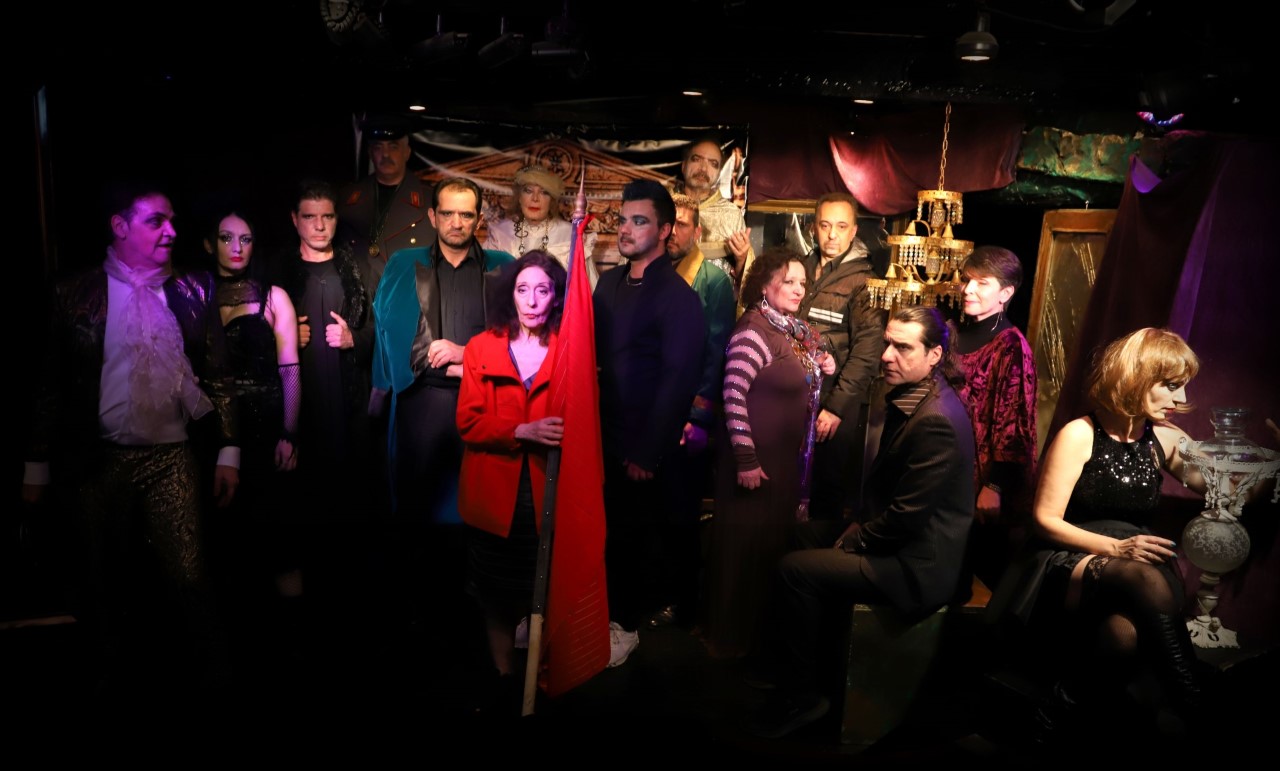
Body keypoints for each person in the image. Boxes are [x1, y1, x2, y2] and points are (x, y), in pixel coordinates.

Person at [23, 181, 240, 693]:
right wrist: (36, 464)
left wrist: (229, 451)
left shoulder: (194, 289)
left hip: (172, 458)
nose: (171, 231)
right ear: (120, 226)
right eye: (155, 221)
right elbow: (51, 383)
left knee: (189, 581)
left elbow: (218, 375)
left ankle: (214, 688)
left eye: (172, 220)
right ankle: (112, 682)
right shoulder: (74, 292)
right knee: (102, 582)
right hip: (98, 459)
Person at [989, 328, 1228, 746]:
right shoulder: (1080, 433)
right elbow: (1045, 520)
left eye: (1183, 386)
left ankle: (1055, 710)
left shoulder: (1166, 439)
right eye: (1171, 385)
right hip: (1070, 556)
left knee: (1123, 636)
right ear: (1137, 377)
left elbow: (1222, 489)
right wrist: (1116, 548)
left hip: (1135, 563)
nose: (1181, 398)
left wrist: (1270, 471)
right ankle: (1198, 709)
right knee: (1142, 574)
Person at [750, 305, 975, 739]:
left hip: (918, 565)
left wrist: (856, 539)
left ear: (934, 356)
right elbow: (891, 498)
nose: (887, 355)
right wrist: (858, 525)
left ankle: (804, 697)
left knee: (795, 570)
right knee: (800, 535)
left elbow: (906, 520)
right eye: (887, 343)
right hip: (898, 539)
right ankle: (802, 667)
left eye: (902, 348)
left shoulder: (936, 421)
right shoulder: (916, 395)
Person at [370, 176, 514, 667]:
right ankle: (417, 622)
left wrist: (465, 355)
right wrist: (388, 388)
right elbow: (387, 329)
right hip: (422, 403)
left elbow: (520, 337)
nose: (456, 222)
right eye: (447, 213)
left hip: (483, 404)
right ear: (432, 216)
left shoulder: (502, 267)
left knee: (478, 518)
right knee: (417, 515)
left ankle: (473, 627)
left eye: (466, 214)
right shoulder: (402, 263)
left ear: (479, 219)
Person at [593, 178, 706, 665]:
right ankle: (600, 618)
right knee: (603, 536)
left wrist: (647, 451)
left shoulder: (678, 297)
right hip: (600, 438)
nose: (626, 229)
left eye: (639, 221)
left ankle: (626, 628)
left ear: (664, 231)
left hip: (642, 449)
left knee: (633, 541)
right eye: (623, 219)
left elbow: (678, 380)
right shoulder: (608, 284)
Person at [702, 248, 835, 660]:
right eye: (788, 281)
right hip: (755, 466)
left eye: (802, 282)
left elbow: (806, 361)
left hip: (781, 465)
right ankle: (731, 643)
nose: (798, 289)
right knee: (745, 552)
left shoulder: (791, 329)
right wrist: (746, 459)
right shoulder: (753, 331)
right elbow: (732, 395)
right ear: (764, 285)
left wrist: (822, 362)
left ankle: (757, 641)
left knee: (768, 551)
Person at [456, 250, 566, 711]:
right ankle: (504, 677)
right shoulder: (482, 347)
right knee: (495, 595)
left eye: (543, 289)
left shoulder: (569, 349)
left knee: (544, 592)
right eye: (523, 289)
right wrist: (521, 430)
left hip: (547, 493)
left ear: (556, 296)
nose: (532, 300)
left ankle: (540, 680)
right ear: (511, 294)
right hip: (493, 496)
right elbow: (467, 422)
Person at [202, 204, 304, 618]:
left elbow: (290, 369)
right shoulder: (194, 294)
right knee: (223, 539)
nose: (236, 247)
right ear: (209, 244)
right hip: (211, 431)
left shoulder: (272, 296)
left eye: (245, 239)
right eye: (227, 238)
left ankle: (291, 633)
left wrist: (289, 433)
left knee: (275, 536)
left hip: (265, 429)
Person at [646, 192, 736, 629]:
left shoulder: (712, 280)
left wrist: (699, 417)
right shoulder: (651, 272)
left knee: (681, 512)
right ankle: (651, 594)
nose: (674, 232)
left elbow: (716, 353)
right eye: (669, 224)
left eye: (682, 224)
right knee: (650, 510)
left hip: (686, 417)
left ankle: (682, 603)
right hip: (651, 414)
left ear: (697, 230)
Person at [951, 246, 1038, 589]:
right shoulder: (952, 332)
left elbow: (1015, 424)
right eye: (966, 280)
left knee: (974, 574)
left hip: (981, 482)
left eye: (981, 283)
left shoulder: (1011, 346)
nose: (968, 289)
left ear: (1005, 293)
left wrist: (994, 486)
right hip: (946, 467)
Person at [797, 192, 886, 520]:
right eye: (825, 225)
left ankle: (818, 552)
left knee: (826, 489)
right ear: (813, 228)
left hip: (833, 403)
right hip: (795, 395)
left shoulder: (865, 281)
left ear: (854, 231)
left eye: (841, 226)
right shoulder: (800, 268)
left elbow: (867, 352)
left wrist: (836, 408)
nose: (832, 234)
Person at [337, 114, 435, 289]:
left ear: (407, 152)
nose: (386, 154)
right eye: (378, 147)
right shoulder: (347, 197)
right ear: (369, 153)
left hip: (405, 294)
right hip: (359, 295)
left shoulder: (430, 200)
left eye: (393, 147)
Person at [483, 163, 599, 288]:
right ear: (519, 197)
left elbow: (588, 290)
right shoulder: (500, 233)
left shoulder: (571, 235)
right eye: (528, 191)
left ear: (552, 200)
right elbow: (485, 284)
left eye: (544, 192)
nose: (535, 198)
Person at [668, 136, 754, 287]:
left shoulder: (731, 215)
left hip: (714, 298)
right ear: (684, 165)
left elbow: (746, 282)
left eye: (713, 164)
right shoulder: (662, 207)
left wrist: (742, 259)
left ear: (719, 173)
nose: (703, 168)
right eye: (697, 159)